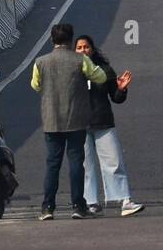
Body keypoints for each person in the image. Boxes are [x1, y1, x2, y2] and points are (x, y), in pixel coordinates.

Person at [31, 22, 107, 220]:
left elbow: (36, 85)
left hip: (51, 120)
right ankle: (77, 205)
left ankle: (48, 207)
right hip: (76, 119)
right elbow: (99, 77)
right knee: (76, 162)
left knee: (52, 164)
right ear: (71, 39)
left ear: (52, 40)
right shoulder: (80, 60)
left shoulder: (41, 61)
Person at [74, 36, 143, 218]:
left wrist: (121, 88)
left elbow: (117, 98)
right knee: (85, 166)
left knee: (114, 162)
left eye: (86, 47)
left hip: (103, 122)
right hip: (79, 125)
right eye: (79, 47)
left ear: (93, 49)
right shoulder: (72, 73)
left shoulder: (104, 70)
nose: (83, 50)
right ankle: (90, 203)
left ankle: (124, 200)